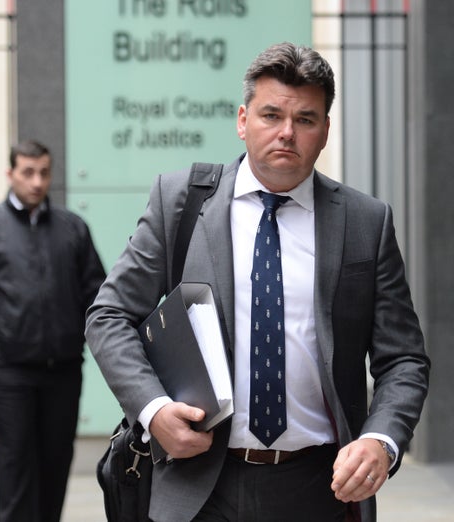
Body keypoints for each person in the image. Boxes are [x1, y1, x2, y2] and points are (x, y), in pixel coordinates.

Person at [85, 42, 430, 522]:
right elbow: (110, 315)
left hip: (319, 488)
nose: (287, 133)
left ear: (325, 131)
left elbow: (404, 358)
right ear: (243, 120)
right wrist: (153, 410)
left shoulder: (365, 222)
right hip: (199, 484)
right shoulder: (181, 201)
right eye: (271, 115)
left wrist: (381, 439)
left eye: (306, 119)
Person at [0, 140, 106, 522]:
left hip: (62, 370)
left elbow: (97, 294)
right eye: (28, 172)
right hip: (6, 372)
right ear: (10, 174)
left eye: (44, 173)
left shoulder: (72, 228)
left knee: (54, 465)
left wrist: (79, 339)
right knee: (15, 465)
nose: (37, 182)